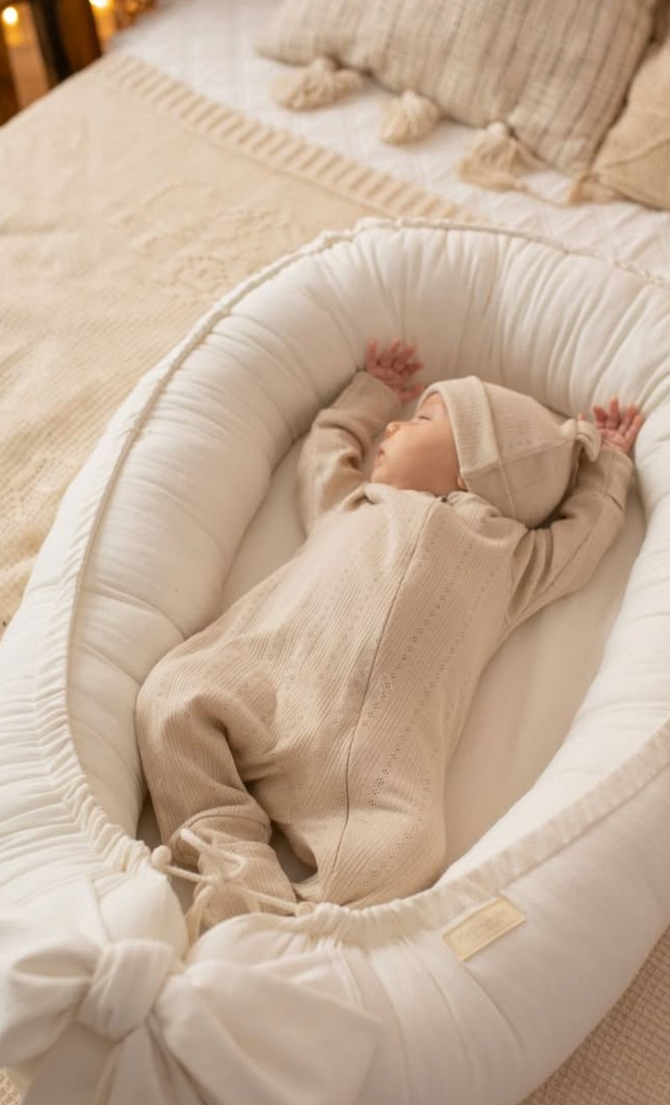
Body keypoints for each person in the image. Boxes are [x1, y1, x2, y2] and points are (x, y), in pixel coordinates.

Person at [135, 338, 644, 942]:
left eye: (421, 419)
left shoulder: (511, 560)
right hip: (263, 684)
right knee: (170, 697)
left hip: (372, 771)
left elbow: (583, 541)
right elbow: (324, 452)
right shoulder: (352, 504)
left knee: (409, 853)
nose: (395, 429)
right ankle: (238, 875)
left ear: (476, 466)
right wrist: (369, 396)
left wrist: (607, 464)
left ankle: (287, 929)